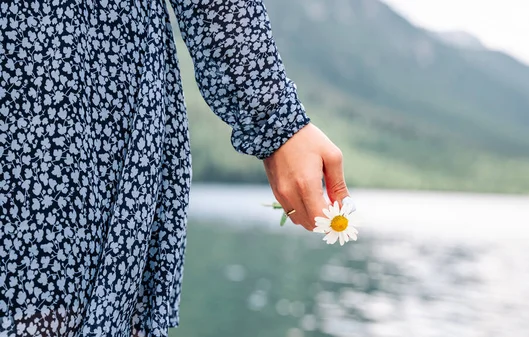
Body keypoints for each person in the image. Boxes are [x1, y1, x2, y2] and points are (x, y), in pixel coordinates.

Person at [0, 0, 349, 336]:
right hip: (77, 80)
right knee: (58, 304)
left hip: (64, 82)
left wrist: (274, 121)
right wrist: (274, 121)